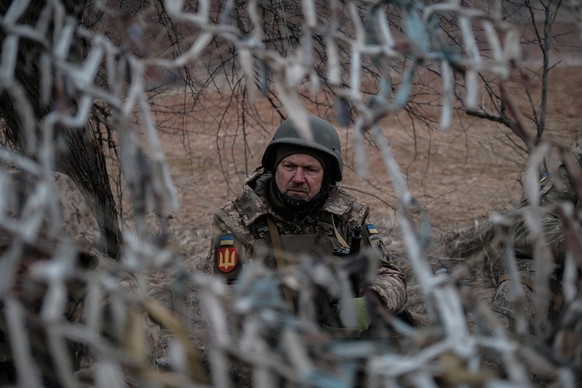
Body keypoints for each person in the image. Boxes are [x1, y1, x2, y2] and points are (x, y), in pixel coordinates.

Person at [205, 115, 408, 332]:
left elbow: (390, 276)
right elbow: (219, 293)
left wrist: (373, 301)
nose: (299, 178)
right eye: (289, 166)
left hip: (338, 340)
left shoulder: (349, 216)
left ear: (327, 175)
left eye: (311, 170)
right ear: (275, 168)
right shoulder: (238, 219)